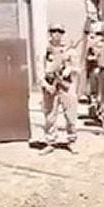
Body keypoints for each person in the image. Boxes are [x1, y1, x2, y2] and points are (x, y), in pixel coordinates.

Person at [40, 24, 79, 155]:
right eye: (53, 31)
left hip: (65, 85)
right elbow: (39, 69)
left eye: (59, 31)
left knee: (70, 116)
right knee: (50, 116)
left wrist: (69, 70)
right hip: (50, 86)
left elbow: (77, 68)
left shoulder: (69, 51)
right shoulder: (44, 50)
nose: (56, 34)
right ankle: (50, 142)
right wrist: (46, 84)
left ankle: (72, 140)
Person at [83, 21, 104, 119]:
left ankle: (100, 113)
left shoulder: (103, 42)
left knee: (101, 93)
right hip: (93, 70)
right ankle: (94, 111)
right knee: (94, 93)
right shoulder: (90, 42)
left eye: (97, 33)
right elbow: (87, 57)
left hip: (100, 69)